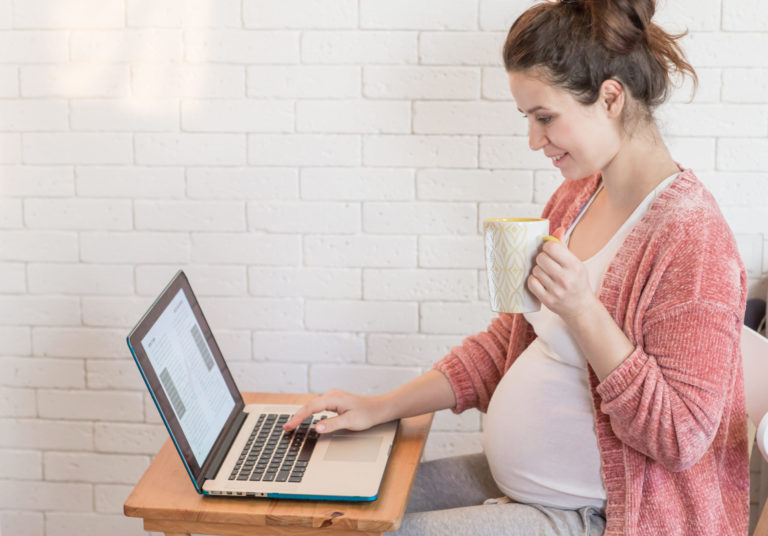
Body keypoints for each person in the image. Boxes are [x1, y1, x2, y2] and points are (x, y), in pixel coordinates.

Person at [284, 1, 749, 534]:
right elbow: (506, 343)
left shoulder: (693, 239)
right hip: (523, 491)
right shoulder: (574, 199)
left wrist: (583, 311)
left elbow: (681, 436)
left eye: (545, 117)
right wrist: (380, 407)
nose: (534, 141)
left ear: (611, 97)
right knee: (341, 513)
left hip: (613, 516)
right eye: (528, 119)